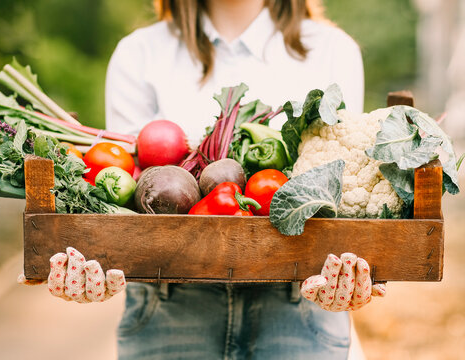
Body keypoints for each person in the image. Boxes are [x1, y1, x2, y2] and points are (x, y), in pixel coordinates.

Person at [36, 1, 386, 359]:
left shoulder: (333, 49)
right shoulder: (139, 53)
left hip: (300, 306)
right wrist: (96, 254)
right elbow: (122, 182)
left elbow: (341, 190)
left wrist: (353, 271)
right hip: (167, 305)